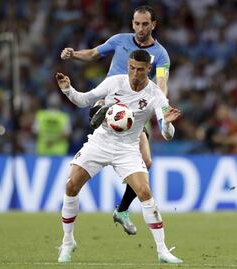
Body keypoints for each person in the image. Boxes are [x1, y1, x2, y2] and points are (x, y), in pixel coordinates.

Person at [56, 50, 183, 264]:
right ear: (128, 66)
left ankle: (162, 251)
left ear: (148, 70)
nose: (135, 73)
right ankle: (68, 241)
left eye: (140, 70)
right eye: (131, 68)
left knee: (144, 191)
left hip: (128, 148)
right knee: (70, 186)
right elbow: (83, 100)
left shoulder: (155, 95)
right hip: (101, 142)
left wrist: (168, 122)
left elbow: (167, 135)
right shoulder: (114, 82)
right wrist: (68, 89)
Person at [61, 5, 170, 235]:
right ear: (132, 23)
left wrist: (162, 109)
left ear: (153, 25)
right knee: (103, 109)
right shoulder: (119, 40)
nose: (140, 28)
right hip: (111, 97)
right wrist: (74, 54)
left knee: (147, 161)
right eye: (137, 23)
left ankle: (122, 210)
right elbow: (93, 53)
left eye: (145, 24)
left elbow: (161, 82)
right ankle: (100, 113)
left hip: (137, 108)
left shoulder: (160, 54)